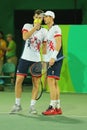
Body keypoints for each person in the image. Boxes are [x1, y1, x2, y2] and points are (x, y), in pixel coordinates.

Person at [10, 9, 47, 114]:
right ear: (33, 17)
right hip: (25, 58)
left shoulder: (44, 31)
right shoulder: (27, 26)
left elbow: (44, 48)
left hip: (36, 60)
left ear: (42, 19)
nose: (37, 19)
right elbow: (25, 37)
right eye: (36, 17)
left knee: (36, 84)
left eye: (40, 18)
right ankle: (17, 105)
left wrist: (44, 61)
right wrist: (35, 28)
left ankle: (32, 106)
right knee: (18, 81)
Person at [42, 11, 63, 115]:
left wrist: (53, 57)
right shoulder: (48, 30)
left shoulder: (56, 28)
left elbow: (59, 44)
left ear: (52, 17)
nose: (44, 18)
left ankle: (52, 107)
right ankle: (58, 107)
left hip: (56, 58)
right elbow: (48, 47)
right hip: (51, 59)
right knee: (54, 83)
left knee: (51, 81)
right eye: (44, 17)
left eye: (46, 17)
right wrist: (46, 59)